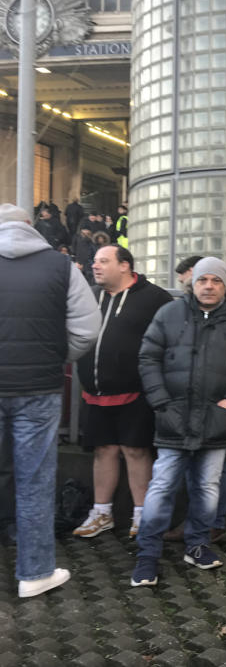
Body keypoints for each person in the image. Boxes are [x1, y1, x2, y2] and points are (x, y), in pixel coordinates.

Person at [132, 257, 226, 586]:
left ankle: (198, 544)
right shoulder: (169, 313)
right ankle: (147, 556)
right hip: (172, 419)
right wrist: (161, 401)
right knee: (161, 487)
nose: (208, 286)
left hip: (216, 420)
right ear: (192, 284)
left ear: (225, 285)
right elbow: (148, 356)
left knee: (207, 488)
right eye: (202, 280)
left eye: (216, 281)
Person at [0, 203, 100, 597]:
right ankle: (35, 573)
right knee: (34, 482)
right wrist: (57, 357)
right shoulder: (61, 267)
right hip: (39, 389)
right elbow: (87, 330)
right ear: (30, 226)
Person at [72, 245, 172, 539]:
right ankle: (102, 512)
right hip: (95, 390)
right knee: (103, 450)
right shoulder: (90, 295)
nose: (95, 266)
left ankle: (143, 516)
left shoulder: (155, 298)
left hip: (137, 392)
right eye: (94, 262)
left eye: (104, 261)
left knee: (136, 451)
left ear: (125, 266)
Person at [166, 254, 226, 544]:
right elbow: (153, 356)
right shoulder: (177, 313)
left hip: (215, 408)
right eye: (196, 281)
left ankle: (209, 523)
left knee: (213, 472)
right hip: (187, 406)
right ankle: (199, 524)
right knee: (198, 472)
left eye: (209, 280)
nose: (200, 286)